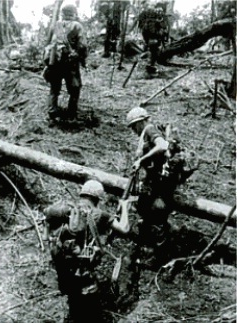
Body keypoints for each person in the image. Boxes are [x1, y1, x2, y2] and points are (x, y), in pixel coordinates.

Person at [43, 180, 130, 322]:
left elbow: (47, 229)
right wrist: (125, 206)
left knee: (75, 305)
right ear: (97, 198)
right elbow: (125, 229)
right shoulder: (99, 214)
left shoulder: (67, 210)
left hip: (65, 274)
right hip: (84, 278)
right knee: (92, 314)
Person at [126, 107, 189, 268]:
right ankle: (153, 244)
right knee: (146, 210)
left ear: (140, 122)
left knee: (157, 212)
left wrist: (142, 160)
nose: (134, 130)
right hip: (157, 181)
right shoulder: (148, 131)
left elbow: (162, 146)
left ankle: (160, 256)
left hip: (162, 183)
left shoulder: (149, 129)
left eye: (134, 126)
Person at [43, 4, 88, 121]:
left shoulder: (55, 25)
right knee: (75, 89)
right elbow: (82, 45)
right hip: (70, 63)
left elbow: (47, 43)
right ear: (73, 13)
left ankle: (52, 111)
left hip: (55, 61)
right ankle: (71, 114)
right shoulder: (77, 26)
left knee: (54, 88)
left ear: (63, 13)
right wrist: (82, 59)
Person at [132, 3, 169, 75]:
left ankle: (150, 65)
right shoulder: (156, 14)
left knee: (151, 48)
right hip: (152, 33)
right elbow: (163, 25)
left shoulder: (147, 13)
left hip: (148, 33)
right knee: (153, 48)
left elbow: (138, 21)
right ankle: (150, 66)